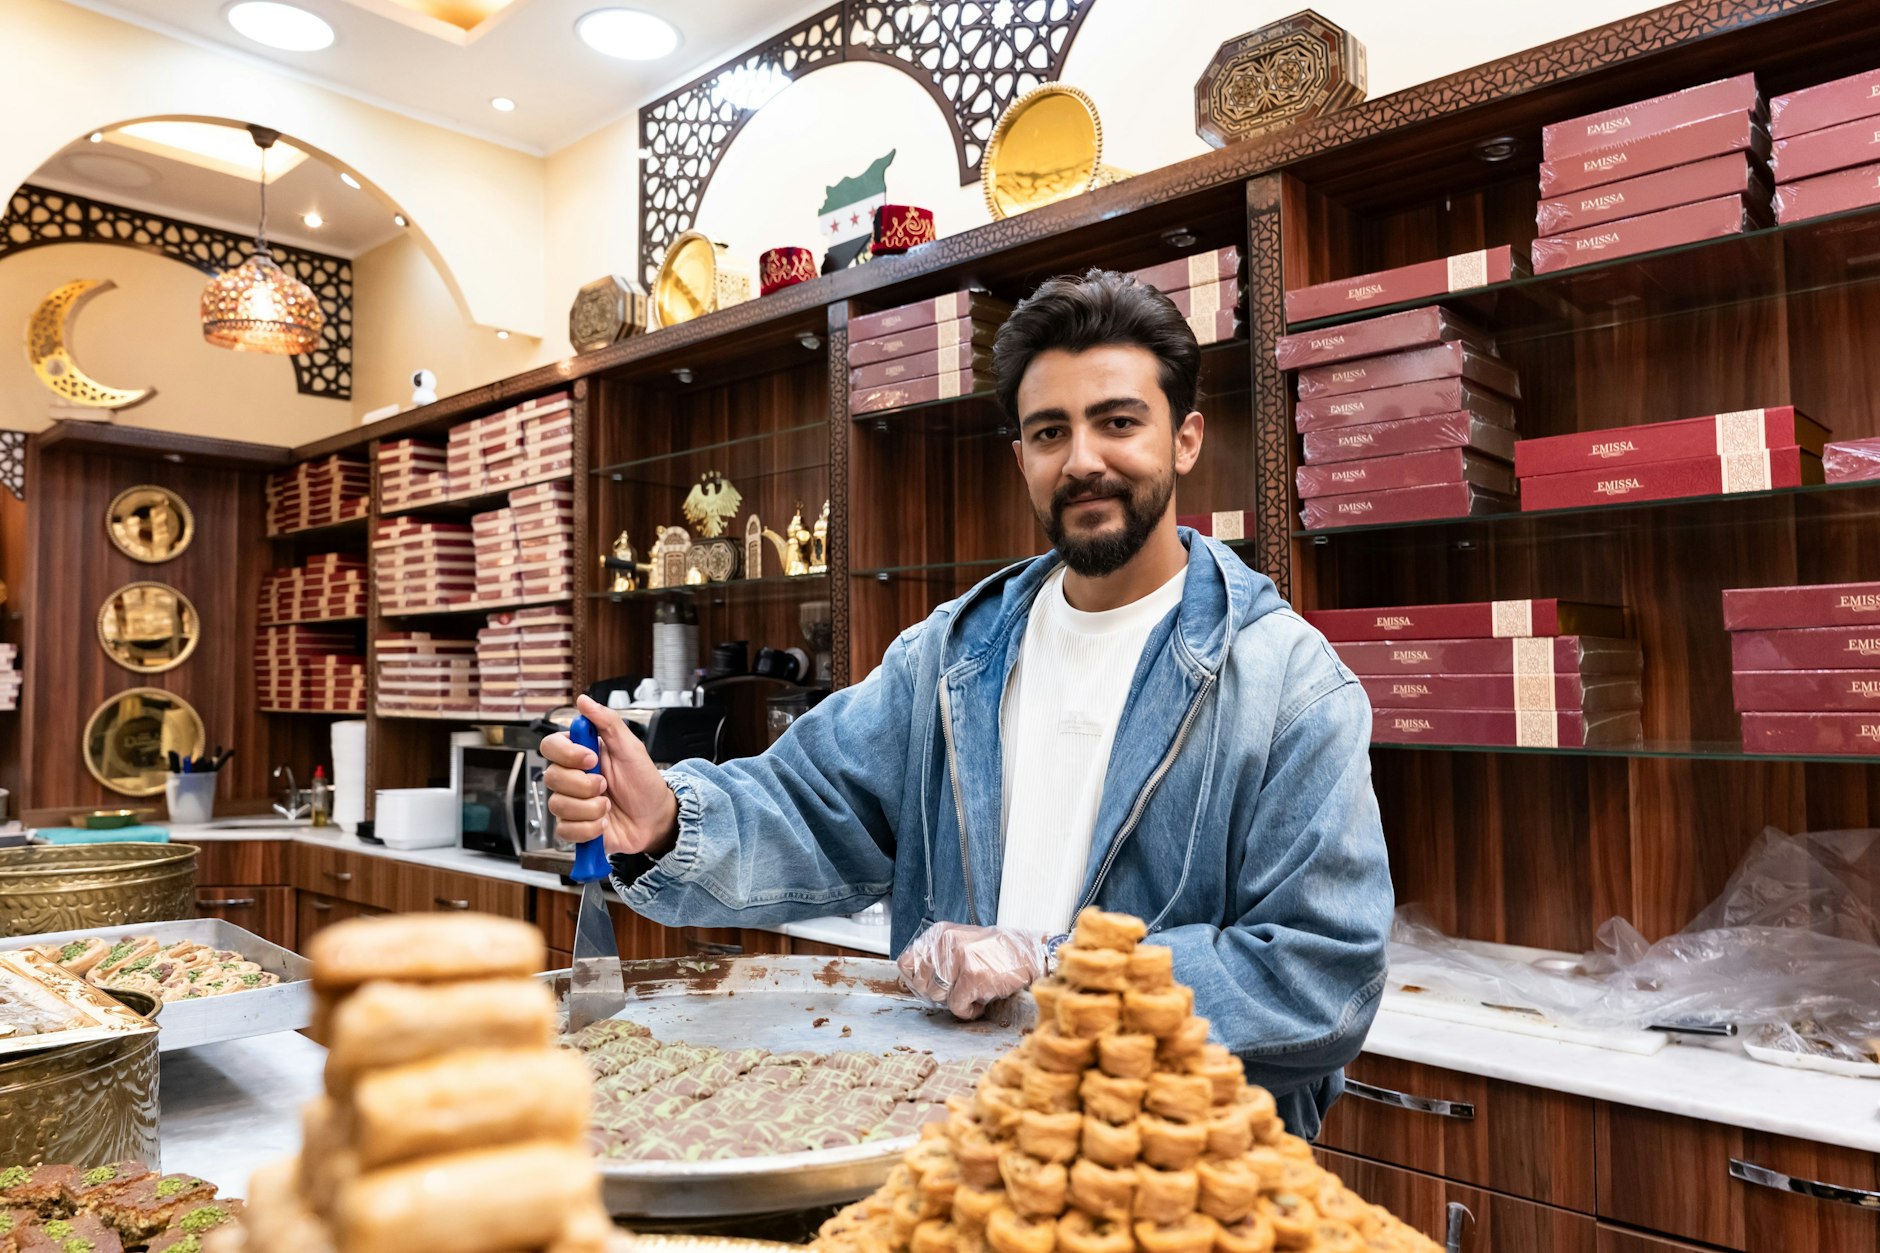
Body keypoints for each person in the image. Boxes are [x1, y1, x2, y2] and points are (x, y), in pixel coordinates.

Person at [543, 268, 1394, 1139]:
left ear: (1185, 438)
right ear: (1020, 457)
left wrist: (1056, 968)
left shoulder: (1288, 681)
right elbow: (806, 803)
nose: (1084, 459)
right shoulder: (953, 655)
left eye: (1119, 421)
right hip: (964, 1149)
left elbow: (1318, 977)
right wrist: (666, 821)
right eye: (1050, 431)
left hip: (1174, 1180)